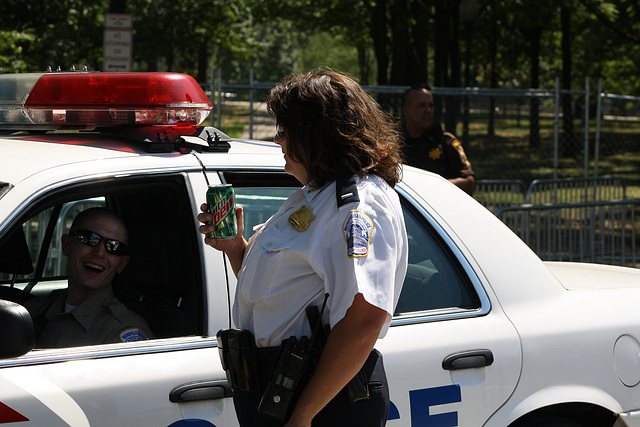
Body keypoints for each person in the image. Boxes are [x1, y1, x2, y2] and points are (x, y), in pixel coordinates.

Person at [198, 70, 408, 427]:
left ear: (315, 134)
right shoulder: (317, 196)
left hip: (320, 399)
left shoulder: (355, 205)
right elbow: (284, 295)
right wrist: (237, 249)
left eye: (283, 131)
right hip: (281, 389)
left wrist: (304, 415)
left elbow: (365, 317)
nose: (278, 141)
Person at [25, 207, 152, 348]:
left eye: (113, 247)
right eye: (90, 238)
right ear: (67, 245)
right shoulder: (32, 311)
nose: (99, 253)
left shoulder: (120, 331)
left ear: (122, 263)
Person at [401, 84, 475, 195]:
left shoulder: (446, 142)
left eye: (431, 105)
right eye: (421, 106)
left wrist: (435, 187)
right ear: (406, 110)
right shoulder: (391, 142)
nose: (428, 110)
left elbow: (469, 182)